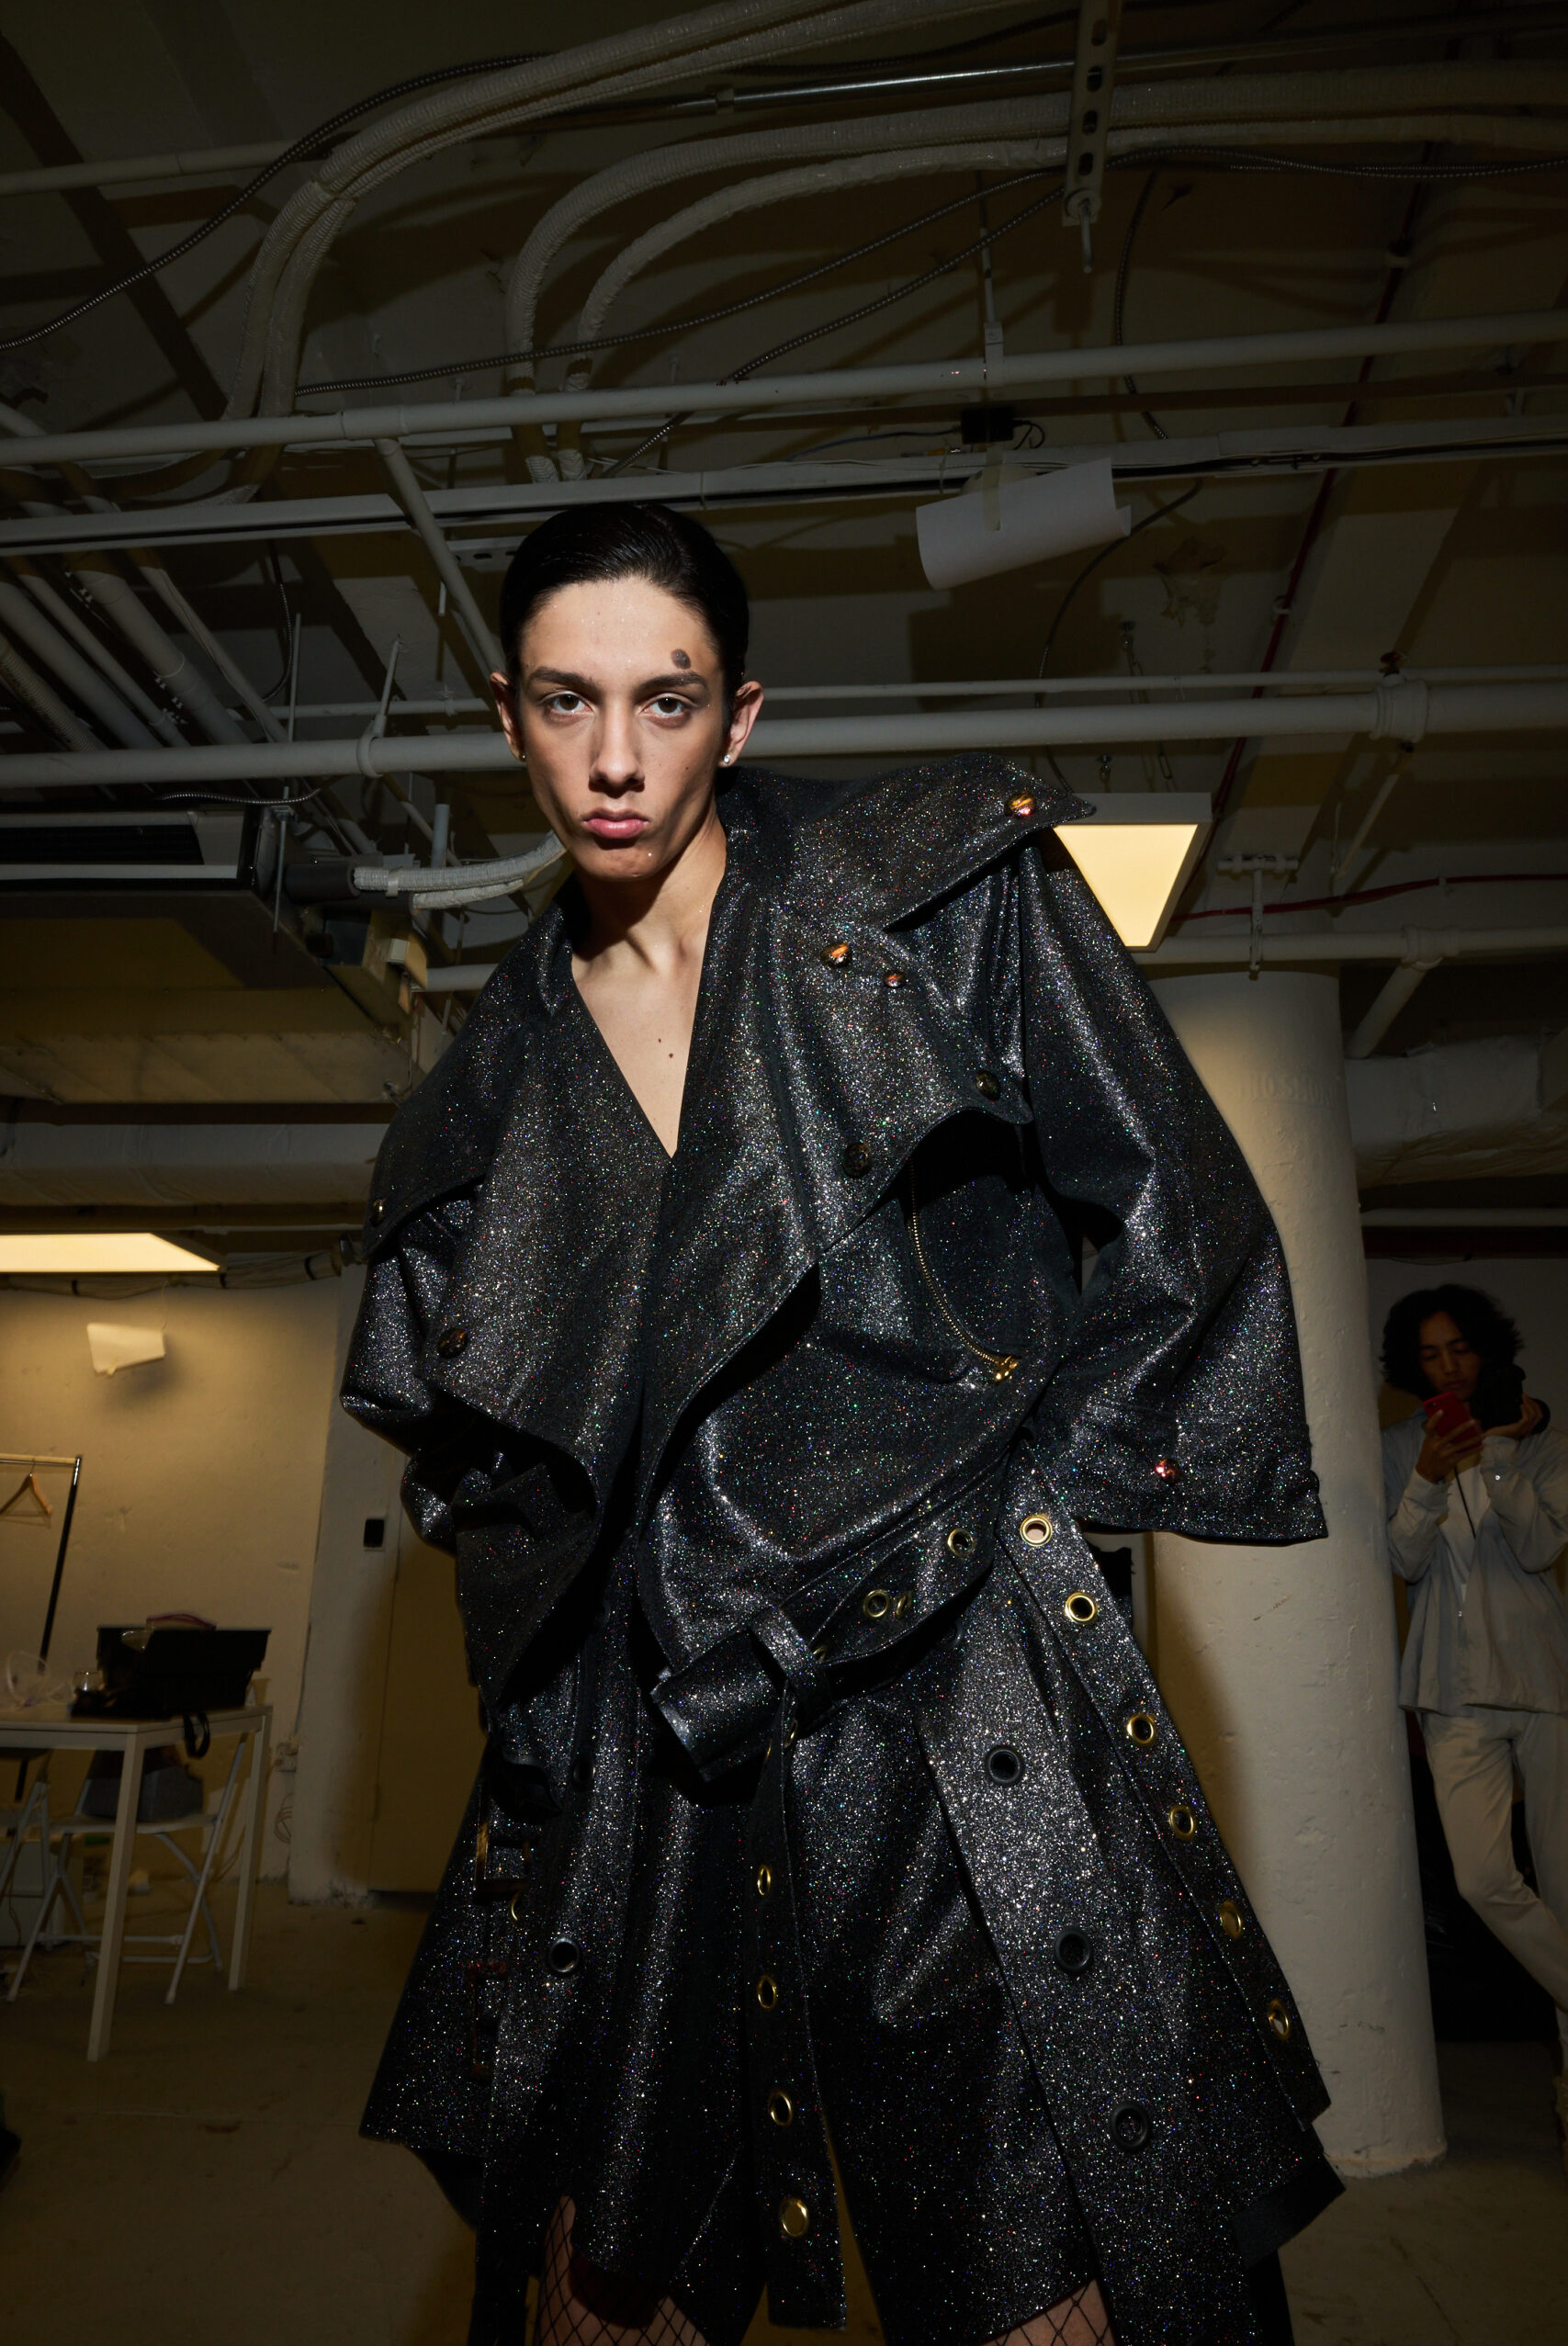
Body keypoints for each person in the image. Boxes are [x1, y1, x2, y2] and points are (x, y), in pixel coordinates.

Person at [344, 503, 1342, 2346]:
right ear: (504, 714)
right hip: (662, 1751)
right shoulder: (472, 1117)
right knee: (595, 2284)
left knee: (1060, 2280)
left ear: (741, 713)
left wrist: (1021, 1522)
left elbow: (1174, 1213)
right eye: (568, 701)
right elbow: (482, 1476)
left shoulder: (938, 895)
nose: (617, 756)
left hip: (959, 1707)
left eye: (670, 698)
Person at [1381, 1284, 1568, 2160]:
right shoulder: (1394, 1450)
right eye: (1429, 1354)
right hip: (1450, 1694)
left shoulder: (1543, 1448)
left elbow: (1536, 1551)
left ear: (1485, 1352)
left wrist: (1495, 1450)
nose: (1447, 1365)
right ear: (1409, 1368)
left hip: (1541, 1685)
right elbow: (1402, 1560)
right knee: (1483, 1880)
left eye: (1458, 1349)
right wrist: (1424, 1477)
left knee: (1563, 1887)